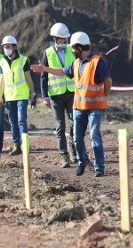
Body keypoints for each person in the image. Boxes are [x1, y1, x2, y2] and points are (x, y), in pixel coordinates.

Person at [33, 31, 111, 177]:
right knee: (77, 137)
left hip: (95, 107)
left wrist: (103, 95)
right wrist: (45, 69)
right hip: (79, 107)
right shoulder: (76, 63)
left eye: (74, 48)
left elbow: (108, 81)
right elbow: (62, 72)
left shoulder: (97, 62)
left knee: (95, 135)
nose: (72, 51)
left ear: (80, 47)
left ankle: (99, 166)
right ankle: (82, 161)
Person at [39, 22, 76, 168]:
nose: (65, 41)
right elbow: (43, 75)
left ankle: (74, 150)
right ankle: (64, 156)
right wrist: (45, 97)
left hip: (72, 93)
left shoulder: (72, 50)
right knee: (60, 126)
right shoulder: (47, 53)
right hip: (55, 96)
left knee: (75, 122)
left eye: (66, 39)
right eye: (62, 39)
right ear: (55, 39)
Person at [0, 35, 36, 156]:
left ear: (14, 47)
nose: (6, 49)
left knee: (21, 120)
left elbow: (28, 78)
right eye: (4, 47)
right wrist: (0, 96)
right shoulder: (2, 61)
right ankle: (17, 145)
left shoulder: (24, 60)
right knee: (13, 122)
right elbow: (1, 80)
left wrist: (33, 92)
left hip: (22, 95)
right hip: (9, 97)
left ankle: (25, 145)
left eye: (8, 47)